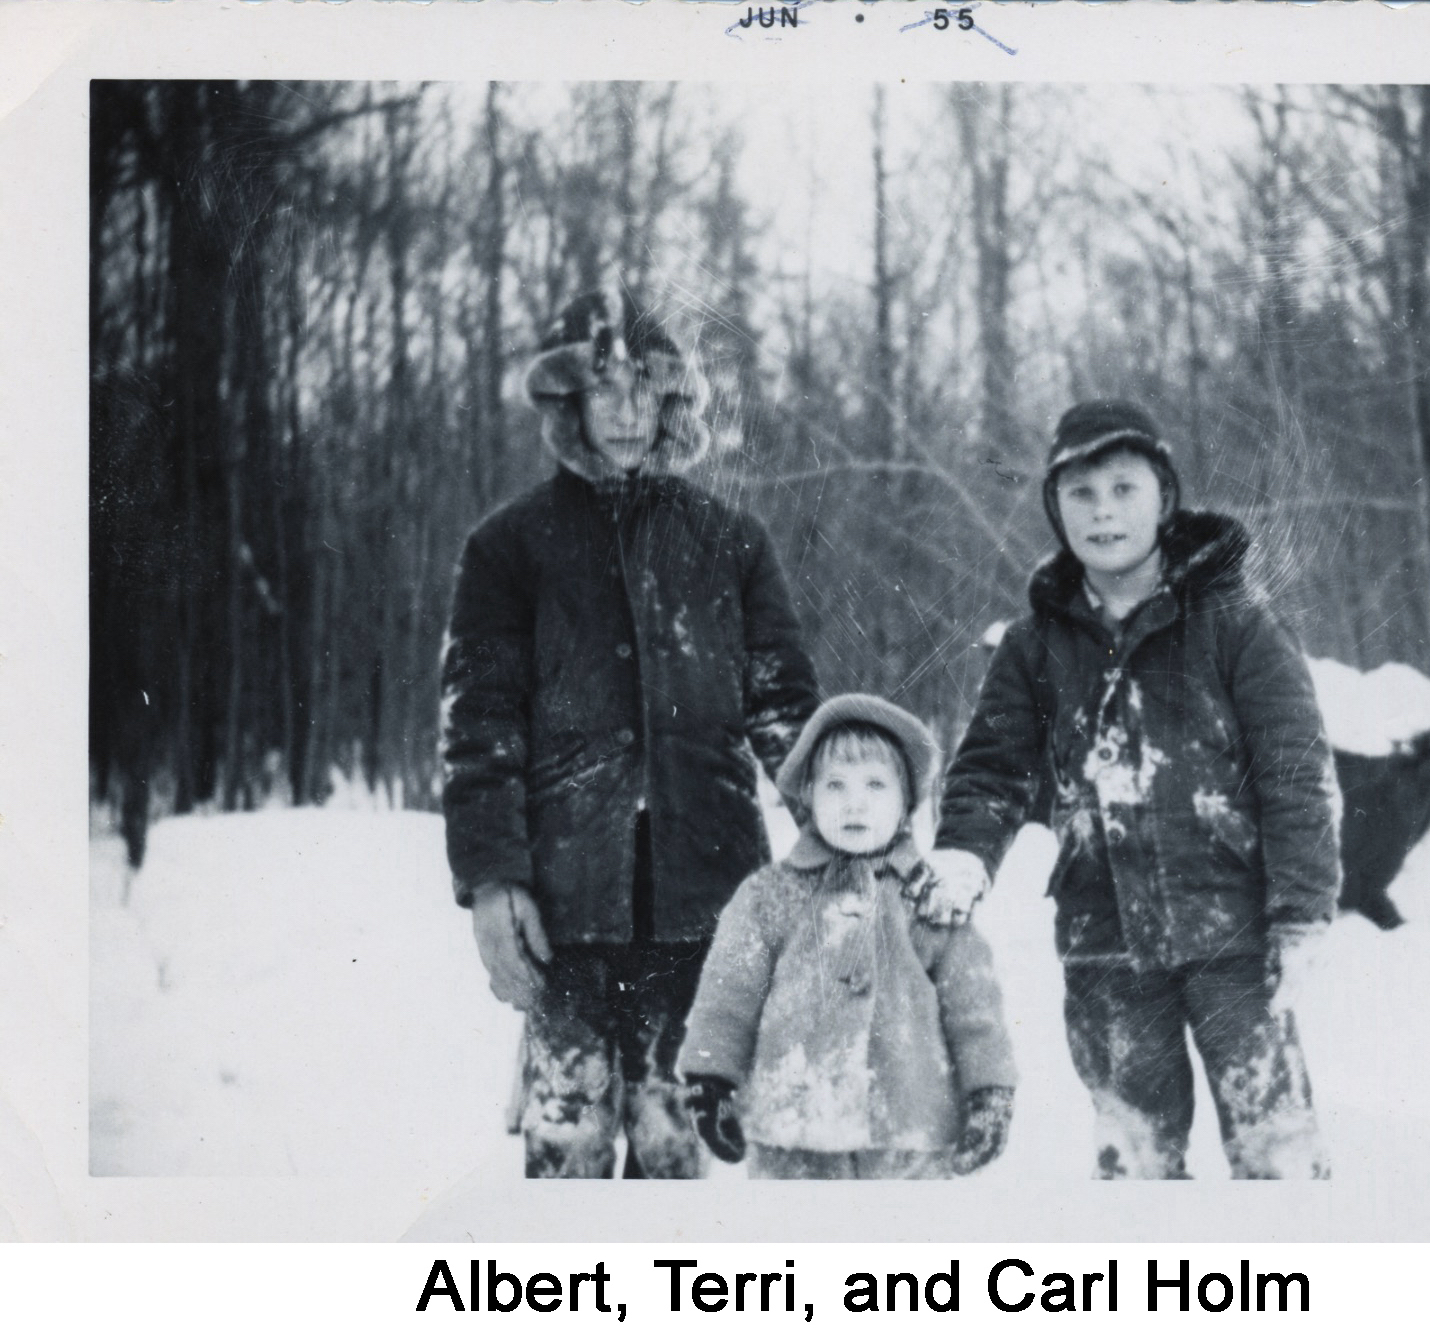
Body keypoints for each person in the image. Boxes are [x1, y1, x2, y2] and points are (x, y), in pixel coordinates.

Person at [439, 283, 820, 1179]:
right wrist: (492, 882)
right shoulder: (507, 548)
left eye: (643, 389)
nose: (623, 412)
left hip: (707, 906)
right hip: (563, 913)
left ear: (672, 401)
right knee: (566, 1154)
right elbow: (478, 728)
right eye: (602, 388)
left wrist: (847, 842)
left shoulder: (730, 540)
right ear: (566, 401)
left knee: (674, 1154)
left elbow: (784, 713)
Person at [931, 399, 1342, 1180]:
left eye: (1123, 489)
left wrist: (1301, 910)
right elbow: (990, 768)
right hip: (1104, 942)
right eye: (1080, 495)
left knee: (1276, 1152)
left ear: (1163, 496)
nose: (1103, 513)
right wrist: (961, 855)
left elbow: (1294, 770)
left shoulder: (1235, 622)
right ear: (1056, 510)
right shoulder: (1032, 646)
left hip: (1234, 934)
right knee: (1135, 1162)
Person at [679, 695, 1017, 1180]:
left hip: (908, 1140)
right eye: (835, 786)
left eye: (875, 785)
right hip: (792, 1138)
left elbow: (974, 1007)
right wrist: (708, 1079)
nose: (854, 802)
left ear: (906, 803)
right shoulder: (768, 898)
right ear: (809, 797)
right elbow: (726, 997)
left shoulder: (930, 900)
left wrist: (991, 1092)